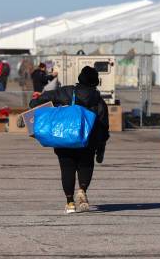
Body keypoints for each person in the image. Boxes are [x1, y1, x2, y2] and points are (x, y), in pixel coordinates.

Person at [30, 66, 109, 213]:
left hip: (65, 139)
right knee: (86, 165)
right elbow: (104, 125)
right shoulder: (97, 99)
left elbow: (45, 97)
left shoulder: (67, 91)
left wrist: (33, 105)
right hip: (88, 141)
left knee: (67, 169)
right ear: (95, 81)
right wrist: (101, 147)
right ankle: (82, 190)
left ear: (80, 78)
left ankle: (70, 203)